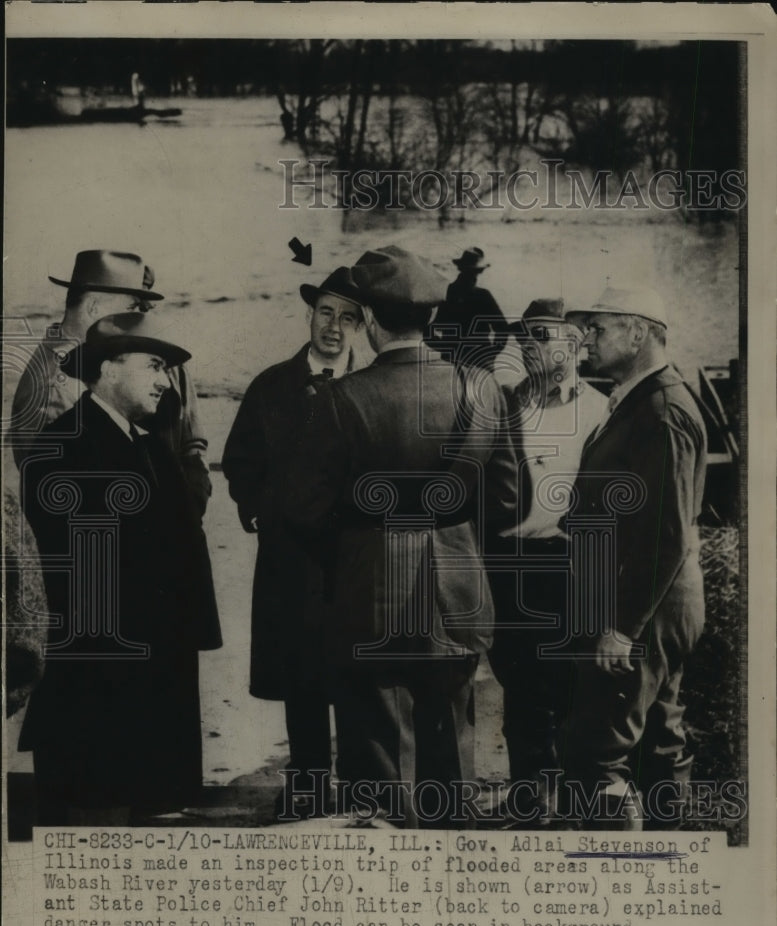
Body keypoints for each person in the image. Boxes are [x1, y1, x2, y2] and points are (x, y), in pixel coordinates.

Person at [285, 246, 520, 828]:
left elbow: (301, 511)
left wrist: (357, 543)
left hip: (371, 595)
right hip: (459, 595)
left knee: (380, 769)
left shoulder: (340, 400)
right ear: (433, 319)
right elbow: (510, 502)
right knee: (454, 757)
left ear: (367, 320)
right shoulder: (483, 390)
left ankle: (388, 897)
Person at [18, 312, 222, 825]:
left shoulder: (149, 443)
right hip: (99, 688)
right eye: (154, 366)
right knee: (91, 820)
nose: (164, 381)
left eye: (166, 371)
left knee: (140, 817)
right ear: (108, 369)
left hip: (152, 678)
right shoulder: (62, 446)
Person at [221, 266, 366, 818]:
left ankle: (355, 787)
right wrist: (256, 508)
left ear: (361, 326)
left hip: (350, 559)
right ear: (309, 314)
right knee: (301, 674)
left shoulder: (366, 388)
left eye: (348, 318)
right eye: (326, 312)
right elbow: (239, 460)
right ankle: (306, 782)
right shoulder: (271, 385)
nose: (334, 327)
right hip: (289, 559)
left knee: (352, 673)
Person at [561, 286, 707, 829]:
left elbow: (665, 535)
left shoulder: (660, 410)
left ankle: (615, 881)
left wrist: (622, 628)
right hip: (657, 605)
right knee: (659, 743)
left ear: (639, 333)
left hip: (644, 608)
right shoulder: (641, 399)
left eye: (598, 329)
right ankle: (668, 862)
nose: (586, 341)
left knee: (598, 752)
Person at [487, 298, 607, 822]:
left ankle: (568, 802)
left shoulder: (604, 410)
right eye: (527, 335)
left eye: (545, 334)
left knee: (567, 688)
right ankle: (527, 801)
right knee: (518, 688)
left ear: (576, 344)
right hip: (509, 563)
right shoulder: (504, 404)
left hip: (569, 564)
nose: (533, 345)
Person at [10, 249, 212, 517]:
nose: (139, 317)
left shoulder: (104, 359)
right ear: (93, 307)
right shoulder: (55, 389)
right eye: (131, 308)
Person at [427, 246, 509, 371]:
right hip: (480, 359)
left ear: (460, 268)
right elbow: (503, 329)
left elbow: (429, 331)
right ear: (478, 272)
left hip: (452, 360)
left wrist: (444, 348)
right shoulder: (483, 295)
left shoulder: (448, 293)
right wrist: (492, 352)